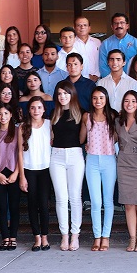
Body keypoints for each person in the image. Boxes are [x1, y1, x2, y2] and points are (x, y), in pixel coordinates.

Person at [81, 87, 118, 251]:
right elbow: (81, 138)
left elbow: (117, 138)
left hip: (109, 159)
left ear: (106, 99)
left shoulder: (113, 116)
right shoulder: (87, 116)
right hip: (92, 160)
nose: (98, 101)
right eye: (95, 98)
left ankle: (106, 236)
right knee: (96, 202)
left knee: (108, 201)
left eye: (101, 97)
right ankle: (97, 236)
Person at [50, 80, 85, 251]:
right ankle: (64, 235)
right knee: (61, 198)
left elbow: (83, 138)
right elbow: (51, 136)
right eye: (59, 93)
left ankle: (75, 235)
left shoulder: (81, 113)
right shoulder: (54, 113)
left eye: (65, 93)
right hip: (56, 156)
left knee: (75, 197)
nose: (62, 96)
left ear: (72, 94)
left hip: (75, 155)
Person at [116, 91, 137, 252]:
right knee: (128, 204)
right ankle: (132, 238)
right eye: (127, 101)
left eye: (134, 101)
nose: (130, 104)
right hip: (123, 162)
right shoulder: (118, 121)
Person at [0, 103, 22, 251]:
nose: (3, 117)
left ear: (11, 115)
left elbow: (21, 153)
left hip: (14, 172)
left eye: (6, 113)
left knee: (14, 206)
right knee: (1, 207)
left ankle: (13, 237)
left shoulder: (18, 131)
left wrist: (16, 173)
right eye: (0, 114)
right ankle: (5, 238)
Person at [18, 98, 51, 251]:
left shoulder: (49, 124)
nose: (36, 110)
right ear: (29, 110)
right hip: (29, 169)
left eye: (39, 107)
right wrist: (22, 176)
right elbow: (19, 152)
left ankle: (45, 236)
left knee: (44, 204)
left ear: (44, 109)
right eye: (32, 107)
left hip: (46, 169)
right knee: (32, 204)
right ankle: (36, 237)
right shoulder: (23, 127)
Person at [99, 13, 137, 77]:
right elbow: (103, 66)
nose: (119, 25)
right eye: (116, 23)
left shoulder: (136, 43)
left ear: (127, 26)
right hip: (110, 80)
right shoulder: (105, 44)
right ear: (112, 27)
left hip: (132, 80)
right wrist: (112, 80)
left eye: (122, 23)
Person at [74, 16, 101, 81]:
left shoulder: (97, 42)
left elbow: (101, 60)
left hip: (97, 79)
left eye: (85, 25)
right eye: (79, 25)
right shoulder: (71, 43)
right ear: (74, 28)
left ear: (89, 28)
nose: (82, 27)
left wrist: (97, 75)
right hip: (79, 80)